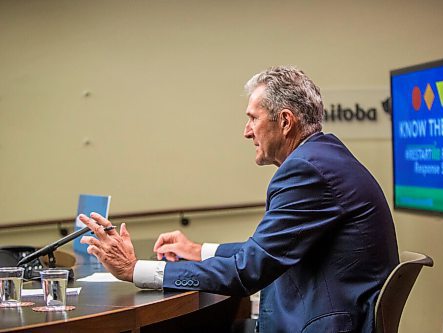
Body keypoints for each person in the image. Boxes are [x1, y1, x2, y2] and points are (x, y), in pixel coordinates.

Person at [79, 66, 399, 333]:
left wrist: (135, 270)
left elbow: (248, 270)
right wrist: (197, 250)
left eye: (253, 118)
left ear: (285, 122)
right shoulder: (324, 157)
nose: (247, 131)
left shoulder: (307, 170)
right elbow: (266, 251)